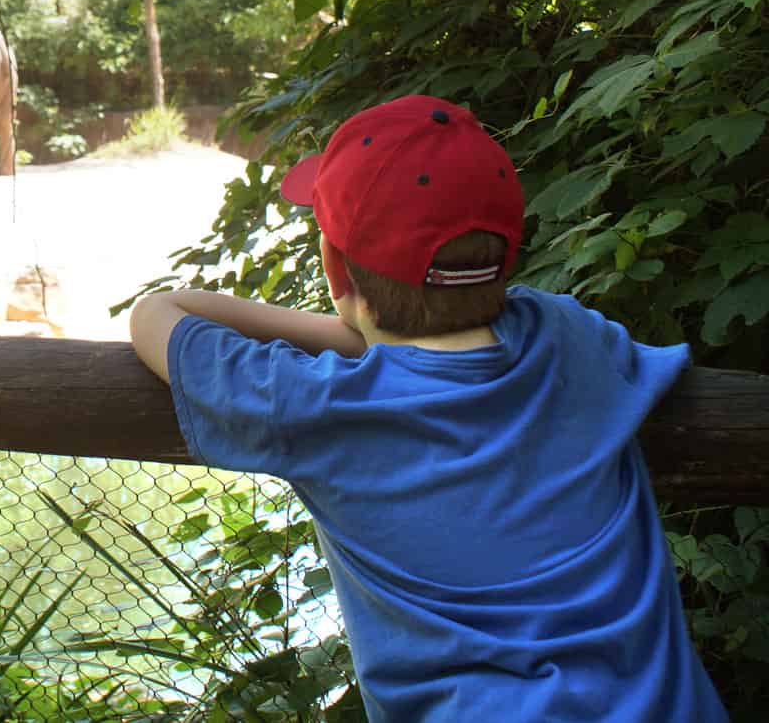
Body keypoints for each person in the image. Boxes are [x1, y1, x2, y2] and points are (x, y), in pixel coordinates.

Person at [129, 94, 727, 722]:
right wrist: (373, 321)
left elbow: (160, 314)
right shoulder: (571, 339)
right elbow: (462, 339)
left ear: (337, 271)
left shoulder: (314, 406)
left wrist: (355, 321)